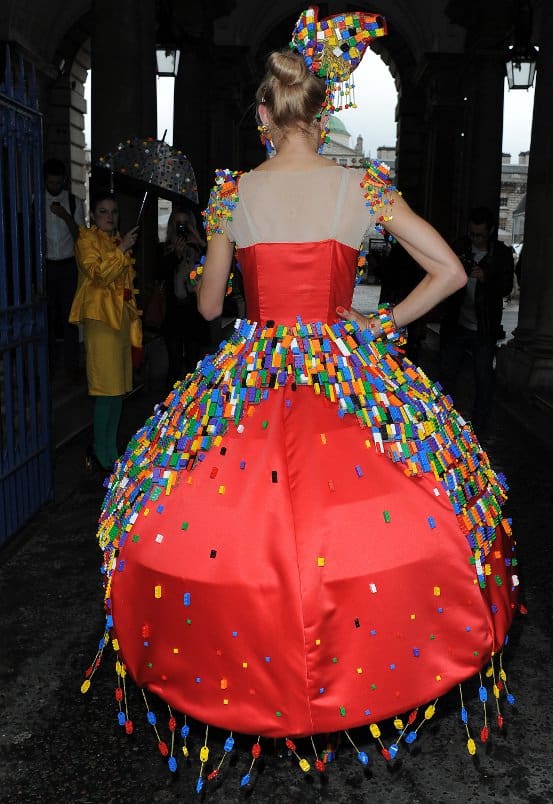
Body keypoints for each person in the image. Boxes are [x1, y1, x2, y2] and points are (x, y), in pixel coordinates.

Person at [84, 8, 518, 790]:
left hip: (255, 366)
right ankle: (358, 669)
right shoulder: (362, 186)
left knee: (201, 511)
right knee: (409, 501)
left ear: (263, 114)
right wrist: (377, 324)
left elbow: (213, 308)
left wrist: (203, 274)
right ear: (325, 112)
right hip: (344, 363)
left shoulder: (230, 194)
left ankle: (254, 678)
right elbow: (450, 272)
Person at [69, 191, 142, 474]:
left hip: (120, 321)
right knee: (105, 389)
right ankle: (102, 452)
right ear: (92, 215)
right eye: (103, 211)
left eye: (113, 211)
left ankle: (110, 448)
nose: (109, 216)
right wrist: (121, 249)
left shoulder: (115, 241)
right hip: (100, 321)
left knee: (117, 390)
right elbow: (98, 273)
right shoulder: (86, 240)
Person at [439, 207, 515, 438]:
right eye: (472, 233)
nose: (475, 239)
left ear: (490, 232)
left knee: (483, 380)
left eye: (480, 235)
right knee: (446, 376)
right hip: (457, 325)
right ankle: (443, 425)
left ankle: (477, 431)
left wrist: (487, 278)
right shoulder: (459, 248)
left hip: (484, 327)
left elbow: (506, 287)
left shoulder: (501, 254)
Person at [155, 205, 208, 384]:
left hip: (194, 313)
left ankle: (193, 405)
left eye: (186, 224)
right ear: (172, 226)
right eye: (179, 224)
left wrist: (198, 239)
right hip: (173, 314)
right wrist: (176, 256)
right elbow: (161, 274)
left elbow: (212, 268)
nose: (182, 228)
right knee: (175, 364)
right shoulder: (165, 249)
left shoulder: (198, 247)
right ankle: (171, 406)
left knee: (194, 364)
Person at [43, 158, 86, 377]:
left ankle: (71, 366)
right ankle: (49, 365)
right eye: (50, 183)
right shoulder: (36, 201)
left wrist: (64, 215)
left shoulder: (73, 201)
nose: (54, 187)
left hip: (68, 265)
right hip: (46, 265)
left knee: (70, 316)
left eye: (57, 183)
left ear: (64, 181)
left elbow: (80, 235)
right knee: (48, 316)